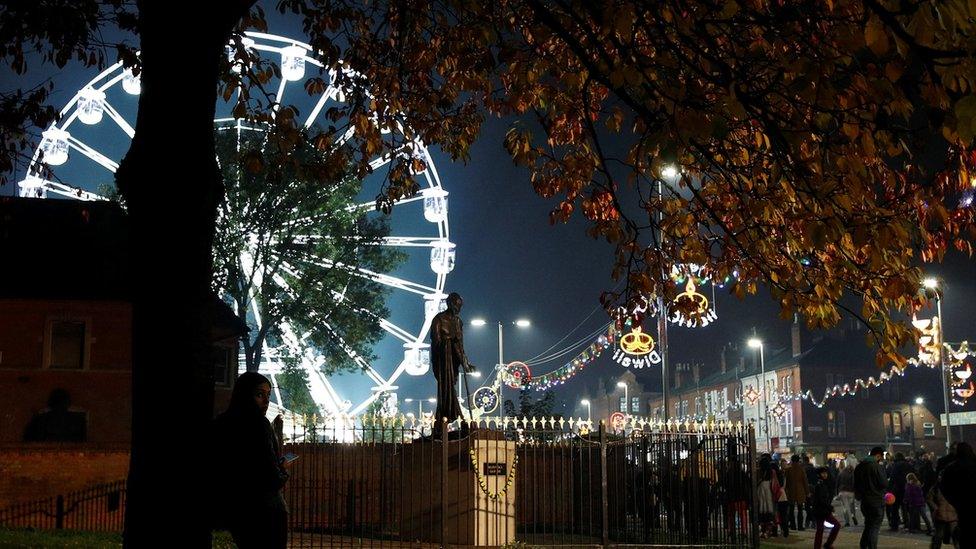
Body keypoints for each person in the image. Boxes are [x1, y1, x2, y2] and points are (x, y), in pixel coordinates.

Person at [211, 372, 289, 549]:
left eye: (268, 396)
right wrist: (283, 469)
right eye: (260, 394)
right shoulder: (259, 425)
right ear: (246, 394)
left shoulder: (220, 424)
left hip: (234, 513)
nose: (266, 402)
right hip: (265, 514)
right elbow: (272, 479)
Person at [429, 292, 473, 438]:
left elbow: (461, 345)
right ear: (449, 304)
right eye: (456, 305)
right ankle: (455, 416)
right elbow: (435, 342)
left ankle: (445, 416)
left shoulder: (459, 322)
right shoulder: (439, 319)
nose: (458, 309)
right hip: (442, 360)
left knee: (449, 388)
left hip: (453, 361)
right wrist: (448, 341)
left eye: (460, 306)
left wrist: (465, 363)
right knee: (445, 389)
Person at [940, 442, 976, 548]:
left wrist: (954, 501)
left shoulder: (951, 468)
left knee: (966, 533)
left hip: (962, 505)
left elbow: (944, 487)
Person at [854, 446, 888, 549]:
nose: (881, 460)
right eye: (881, 458)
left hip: (865, 501)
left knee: (868, 525)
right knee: (874, 527)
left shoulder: (859, 467)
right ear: (878, 455)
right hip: (876, 500)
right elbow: (883, 483)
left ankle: (863, 545)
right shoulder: (876, 467)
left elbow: (856, 484)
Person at [927, 470, 959, 549]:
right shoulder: (936, 488)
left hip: (952, 515)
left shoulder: (954, 487)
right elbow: (929, 498)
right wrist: (936, 508)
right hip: (941, 514)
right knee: (939, 536)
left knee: (955, 536)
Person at [812, 466, 841, 549]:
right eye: (823, 473)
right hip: (820, 511)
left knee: (834, 526)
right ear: (819, 474)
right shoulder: (819, 485)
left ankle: (827, 544)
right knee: (821, 530)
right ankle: (823, 545)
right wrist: (830, 507)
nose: (825, 475)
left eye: (826, 473)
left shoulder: (825, 483)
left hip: (823, 510)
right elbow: (821, 499)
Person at [887, 451, 914, 531]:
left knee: (895, 508)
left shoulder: (896, 465)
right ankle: (907, 524)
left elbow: (892, 478)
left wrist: (889, 489)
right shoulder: (908, 465)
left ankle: (894, 525)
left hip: (897, 489)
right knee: (905, 507)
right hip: (906, 489)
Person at [784, 454, 809, 530]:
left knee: (791, 510)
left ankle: (793, 526)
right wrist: (807, 492)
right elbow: (805, 481)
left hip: (791, 491)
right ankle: (800, 526)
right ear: (798, 461)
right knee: (800, 509)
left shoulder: (788, 470)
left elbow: (786, 482)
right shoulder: (801, 469)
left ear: (792, 460)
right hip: (800, 491)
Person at [836, 456, 859, 526]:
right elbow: (855, 483)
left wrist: (837, 493)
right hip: (851, 492)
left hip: (842, 492)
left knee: (845, 507)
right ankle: (853, 516)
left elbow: (837, 483)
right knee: (852, 506)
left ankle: (847, 522)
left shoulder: (841, 473)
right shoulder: (854, 474)